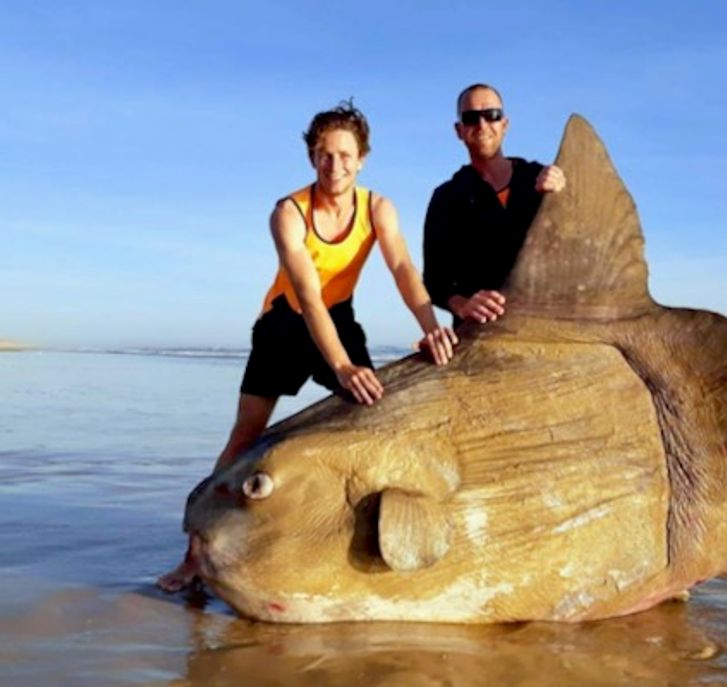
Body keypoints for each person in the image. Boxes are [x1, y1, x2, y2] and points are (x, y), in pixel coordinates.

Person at [157, 100, 457, 592]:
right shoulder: (289, 213)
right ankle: (195, 554)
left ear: (362, 159)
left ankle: (352, 541)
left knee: (373, 417)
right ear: (312, 157)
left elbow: (403, 269)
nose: (334, 165)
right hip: (284, 323)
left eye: (345, 155)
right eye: (324, 155)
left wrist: (431, 325)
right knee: (245, 435)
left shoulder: (378, 208)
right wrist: (341, 366)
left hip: (339, 318)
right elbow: (308, 296)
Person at [423, 83, 565, 327]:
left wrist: (565, 196)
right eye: (471, 118)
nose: (482, 125)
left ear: (505, 124)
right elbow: (435, 282)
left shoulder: (541, 179)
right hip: (483, 334)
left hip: (548, 326)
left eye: (492, 115)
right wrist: (463, 305)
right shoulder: (446, 198)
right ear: (459, 130)